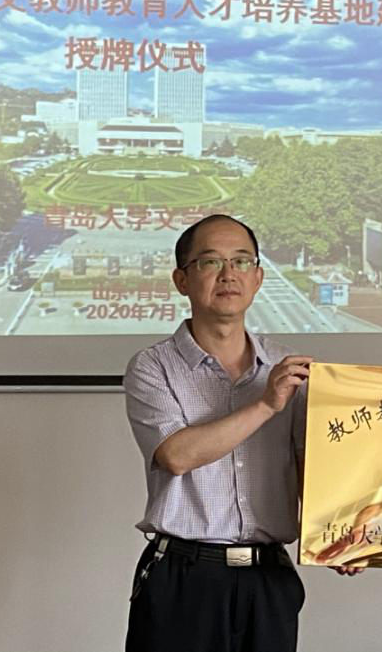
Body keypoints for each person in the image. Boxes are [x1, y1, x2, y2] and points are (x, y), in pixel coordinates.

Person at [123, 214, 313, 652]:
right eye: (210, 262)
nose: (229, 274)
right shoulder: (153, 367)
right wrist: (265, 404)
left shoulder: (289, 368)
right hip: (184, 578)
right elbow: (177, 455)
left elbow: (313, 466)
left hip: (268, 579)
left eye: (242, 261)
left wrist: (342, 538)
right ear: (182, 280)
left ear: (258, 278)